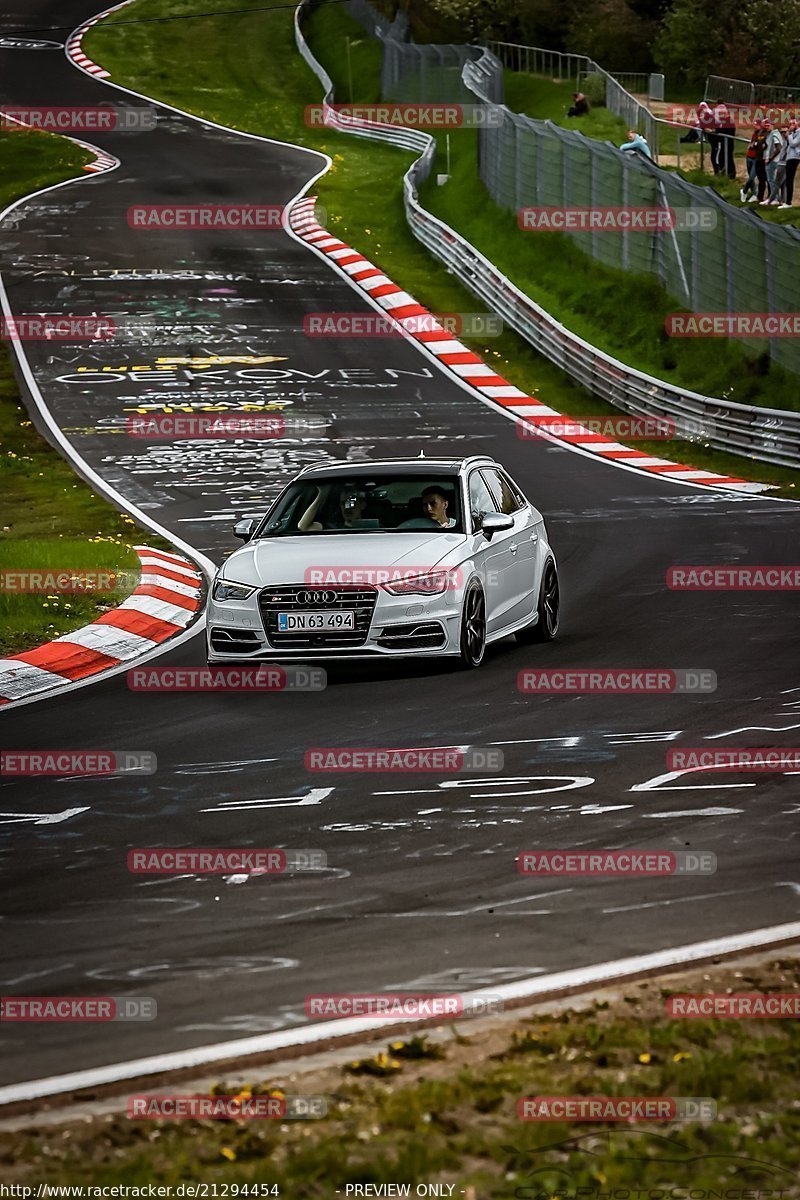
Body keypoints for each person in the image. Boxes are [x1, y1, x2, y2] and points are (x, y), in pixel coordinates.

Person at [741, 120, 769, 202]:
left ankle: (744, 191)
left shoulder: (764, 134)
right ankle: (754, 194)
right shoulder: (755, 133)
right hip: (749, 156)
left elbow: (758, 145)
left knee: (751, 177)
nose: (755, 127)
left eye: (756, 125)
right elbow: (751, 144)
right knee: (751, 178)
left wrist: (754, 145)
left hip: (756, 158)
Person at [712, 98, 737, 178]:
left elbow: (729, 133)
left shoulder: (729, 121)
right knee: (721, 158)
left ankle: (731, 174)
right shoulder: (722, 121)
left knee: (729, 158)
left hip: (728, 143)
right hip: (723, 143)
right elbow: (718, 130)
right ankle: (723, 172)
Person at [783, 119, 800, 205]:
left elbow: (793, 143)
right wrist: (789, 132)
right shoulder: (793, 132)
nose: (791, 125)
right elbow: (786, 140)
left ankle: (788, 202)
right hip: (789, 157)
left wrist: (789, 134)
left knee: (790, 180)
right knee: (788, 180)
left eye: (793, 123)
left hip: (795, 157)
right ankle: (786, 201)